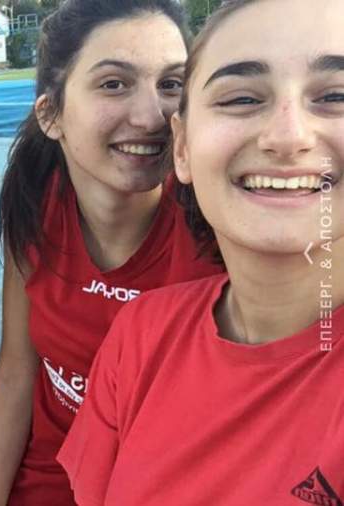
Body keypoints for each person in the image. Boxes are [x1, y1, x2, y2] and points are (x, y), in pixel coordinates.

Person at [0, 1, 225, 504]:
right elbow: (17, 371)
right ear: (51, 115)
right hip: (49, 462)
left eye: (170, 84)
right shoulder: (37, 198)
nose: (151, 116)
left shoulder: (217, 232)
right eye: (114, 84)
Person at [58, 0, 343, 502]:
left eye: (336, 96)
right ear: (182, 148)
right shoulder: (143, 334)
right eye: (241, 99)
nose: (289, 136)